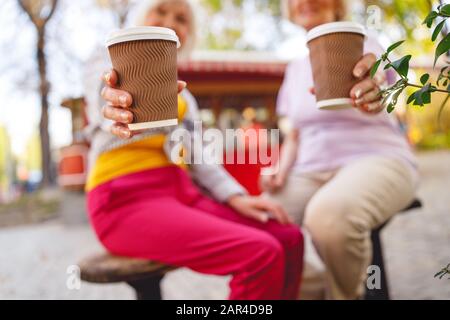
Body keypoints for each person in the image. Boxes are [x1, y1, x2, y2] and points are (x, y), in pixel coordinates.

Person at [84, 0, 303, 300]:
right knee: (260, 254)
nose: (170, 21)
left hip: (182, 193)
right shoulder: (108, 59)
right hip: (123, 197)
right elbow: (103, 101)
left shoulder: (184, 95)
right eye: (160, 11)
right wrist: (117, 102)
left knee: (289, 238)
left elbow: (199, 156)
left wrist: (236, 196)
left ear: (188, 34)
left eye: (181, 19)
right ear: (140, 17)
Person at [260, 0, 418, 300]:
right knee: (257, 223)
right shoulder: (294, 69)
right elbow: (294, 134)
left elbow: (381, 85)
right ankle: (313, 289)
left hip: (377, 158)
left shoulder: (365, 44)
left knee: (329, 217)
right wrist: (279, 169)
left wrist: (373, 91)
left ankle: (346, 294)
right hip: (309, 168)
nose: (303, 1)